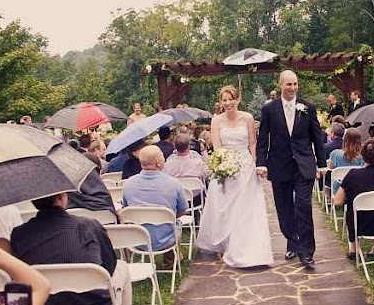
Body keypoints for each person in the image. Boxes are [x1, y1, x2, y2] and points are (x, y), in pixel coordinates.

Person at [11, 194, 150, 305]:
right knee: (122, 267)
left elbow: (20, 280)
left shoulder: (19, 235)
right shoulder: (88, 226)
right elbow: (109, 266)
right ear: (63, 198)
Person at [198, 85, 274, 268]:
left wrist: (257, 164)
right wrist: (223, 165)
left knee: (246, 207)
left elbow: (253, 144)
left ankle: (248, 244)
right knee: (226, 206)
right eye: (224, 100)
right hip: (226, 165)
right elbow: (216, 147)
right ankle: (226, 242)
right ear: (221, 102)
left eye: (231, 99)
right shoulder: (216, 120)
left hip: (246, 166)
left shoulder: (247, 118)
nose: (228, 103)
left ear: (238, 100)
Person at [256, 71, 325, 268]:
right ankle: (292, 241)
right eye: (288, 84)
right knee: (284, 208)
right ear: (280, 85)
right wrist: (261, 162)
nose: (292, 88)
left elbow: (317, 138)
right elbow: (263, 139)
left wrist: (321, 164)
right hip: (279, 165)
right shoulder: (269, 109)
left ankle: (306, 252)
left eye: (295, 84)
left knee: (303, 206)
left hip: (304, 165)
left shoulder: (308, 108)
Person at [122, 146, 187, 252]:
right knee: (175, 222)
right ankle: (171, 259)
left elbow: (126, 211)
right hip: (167, 239)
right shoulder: (174, 184)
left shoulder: (127, 184)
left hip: (138, 238)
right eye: (162, 155)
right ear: (158, 162)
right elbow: (182, 210)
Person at [327, 128, 364, 195]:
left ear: (345, 140)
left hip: (339, 191)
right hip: (358, 189)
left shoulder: (335, 154)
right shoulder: (364, 156)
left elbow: (330, 168)